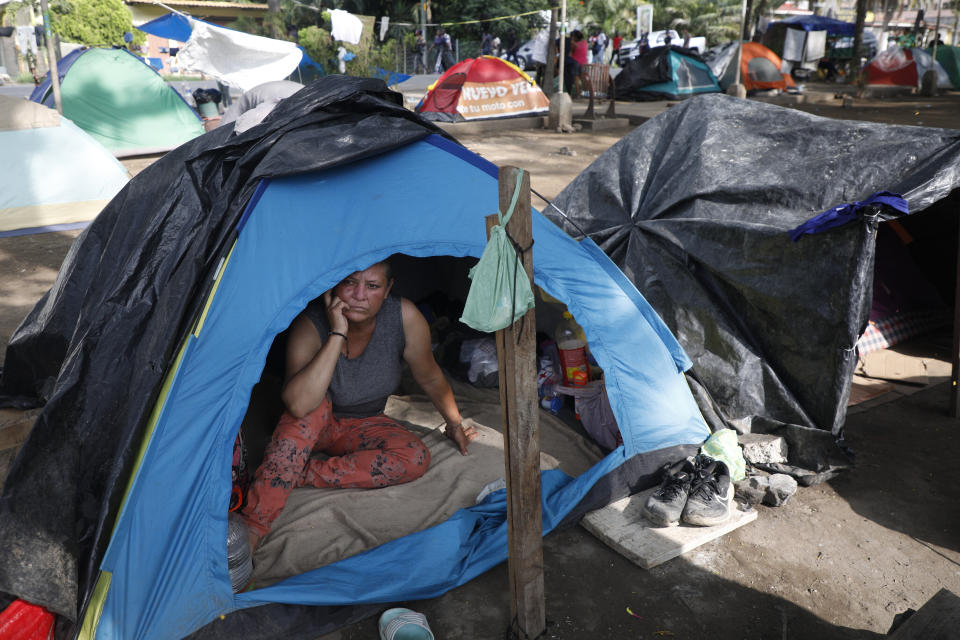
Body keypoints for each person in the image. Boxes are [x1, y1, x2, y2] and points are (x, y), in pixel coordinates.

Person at [241, 261, 477, 551]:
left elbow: (429, 376)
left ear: (388, 289)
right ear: (335, 285)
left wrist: (455, 424)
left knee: (414, 458)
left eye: (373, 286)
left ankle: (294, 473)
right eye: (350, 283)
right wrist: (337, 333)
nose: (359, 295)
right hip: (316, 422)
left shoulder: (403, 317)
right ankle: (253, 526)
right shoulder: (311, 323)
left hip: (365, 422)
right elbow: (299, 405)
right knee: (310, 409)